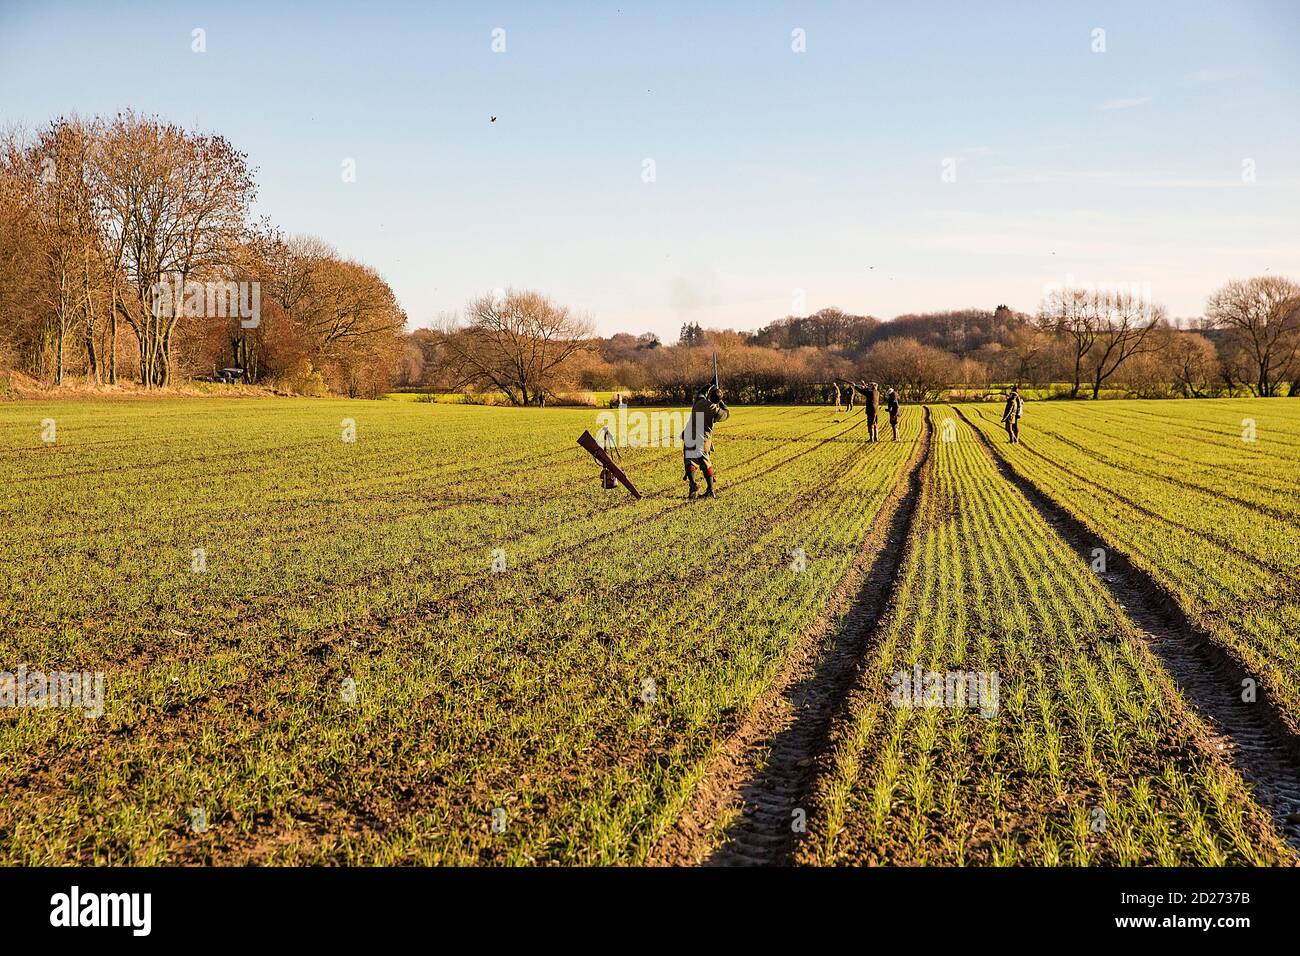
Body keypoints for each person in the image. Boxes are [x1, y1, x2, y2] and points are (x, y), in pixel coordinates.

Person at [681, 384, 730, 499]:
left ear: (709, 396)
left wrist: (709, 385)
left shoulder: (698, 402)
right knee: (706, 463)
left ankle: (693, 484)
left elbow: (701, 393)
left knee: (689, 461)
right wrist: (722, 403)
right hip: (702, 440)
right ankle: (710, 490)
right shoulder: (715, 410)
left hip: (689, 436)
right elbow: (727, 414)